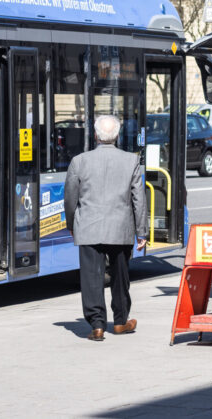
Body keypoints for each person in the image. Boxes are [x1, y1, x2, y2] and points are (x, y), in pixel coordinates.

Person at [64, 115, 148, 341]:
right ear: (118, 136)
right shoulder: (131, 161)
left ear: (95, 135)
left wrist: (71, 224)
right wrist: (142, 232)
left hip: (88, 228)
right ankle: (121, 322)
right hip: (120, 228)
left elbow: (70, 198)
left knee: (91, 278)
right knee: (120, 276)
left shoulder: (79, 161)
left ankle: (97, 325)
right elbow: (139, 199)